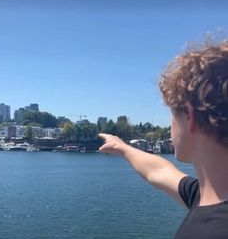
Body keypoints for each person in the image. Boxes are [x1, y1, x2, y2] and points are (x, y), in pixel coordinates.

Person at [98, 40, 228, 238]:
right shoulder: (205, 195)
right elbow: (159, 170)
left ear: (189, 117)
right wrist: (122, 147)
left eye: (171, 113)